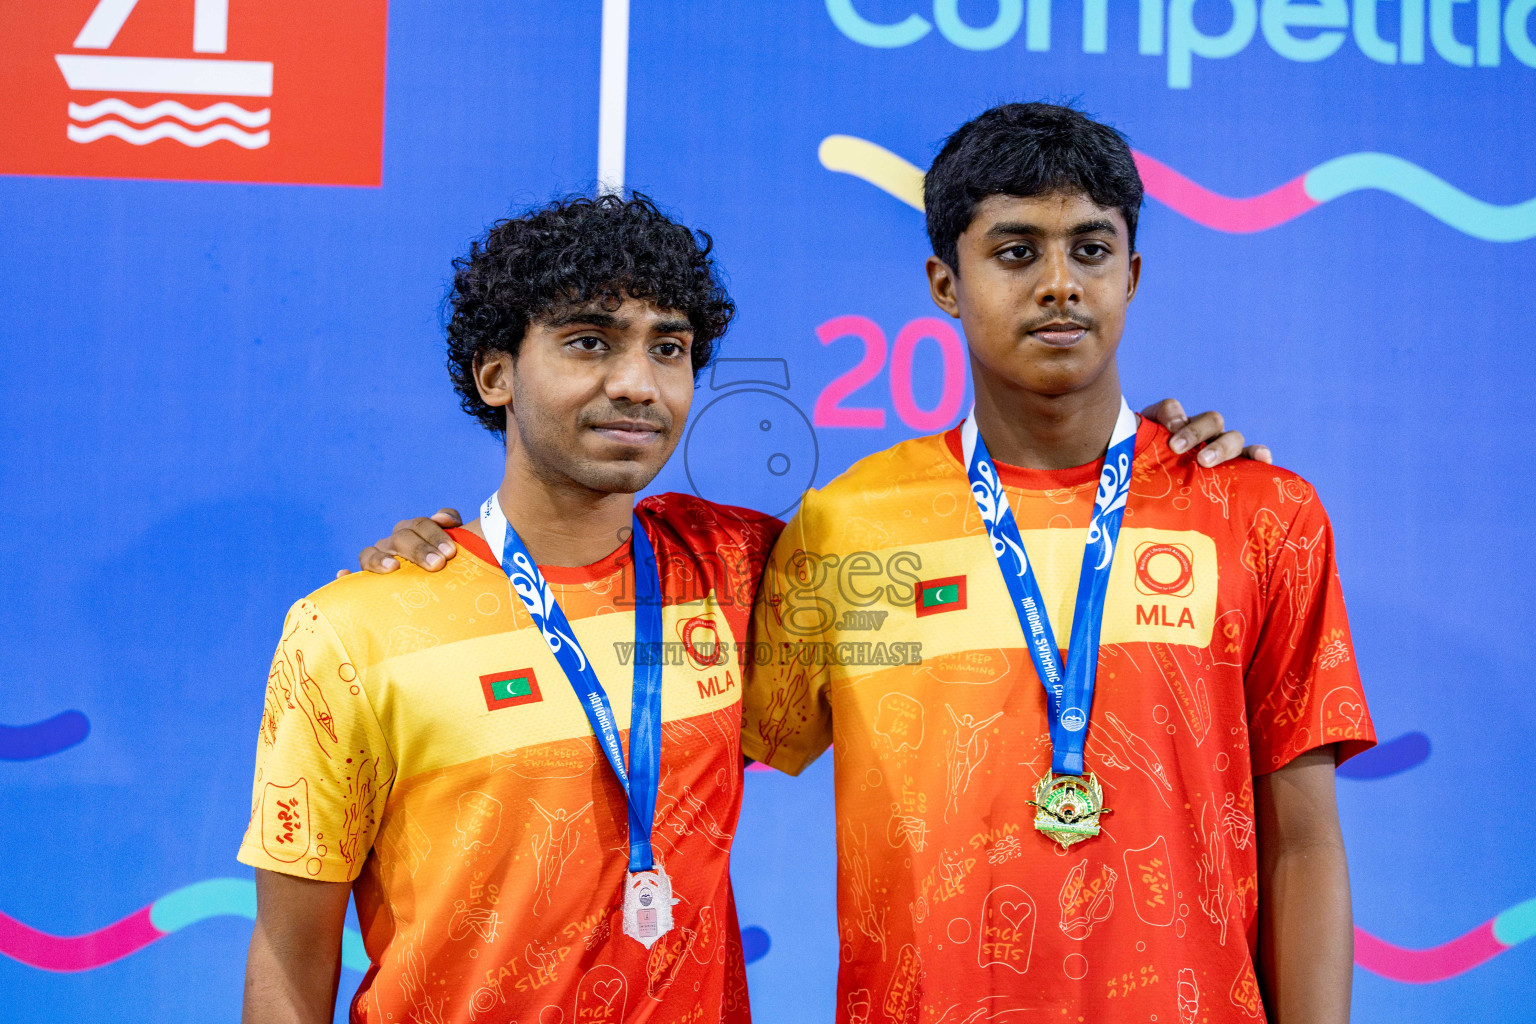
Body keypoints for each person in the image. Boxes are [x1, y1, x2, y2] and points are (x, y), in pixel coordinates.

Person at [740, 103, 1375, 1023]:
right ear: (945, 284)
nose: (1059, 285)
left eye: (1090, 250)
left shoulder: (1261, 514)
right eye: (1014, 252)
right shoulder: (848, 528)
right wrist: (473, 560)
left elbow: (1304, 844)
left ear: (1133, 274)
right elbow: (681, 765)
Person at [237, 194, 781, 1024]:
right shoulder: (356, 628)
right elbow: (290, 952)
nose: (637, 383)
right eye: (589, 342)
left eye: (668, 348)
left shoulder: (740, 572)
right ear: (497, 375)